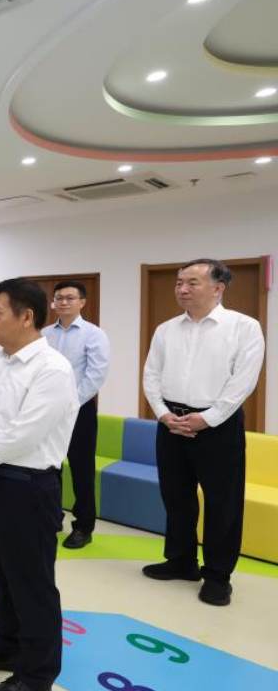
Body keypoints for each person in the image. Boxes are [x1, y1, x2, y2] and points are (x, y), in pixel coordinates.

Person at [0, 278, 78, 691]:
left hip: (28, 488)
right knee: (1, 576)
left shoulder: (52, 369)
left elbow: (22, 435)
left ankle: (36, 675)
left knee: (31, 585)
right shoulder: (2, 362)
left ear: (26, 316)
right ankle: (5, 646)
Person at [141, 259, 264, 606]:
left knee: (223, 503)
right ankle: (181, 561)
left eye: (192, 283)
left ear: (218, 287)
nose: (182, 289)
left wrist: (208, 418)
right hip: (171, 423)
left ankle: (217, 576)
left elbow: (244, 380)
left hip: (218, 427)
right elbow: (151, 374)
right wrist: (163, 414)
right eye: (179, 282)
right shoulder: (166, 329)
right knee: (175, 496)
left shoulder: (244, 327)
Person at [42, 281, 110, 549]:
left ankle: (83, 526)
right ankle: (52, 517)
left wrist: (71, 403)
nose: (63, 302)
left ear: (82, 302)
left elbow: (96, 375)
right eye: (59, 297)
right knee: (48, 465)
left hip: (79, 410)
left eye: (70, 298)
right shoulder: (44, 334)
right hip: (47, 409)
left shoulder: (94, 334)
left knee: (82, 470)